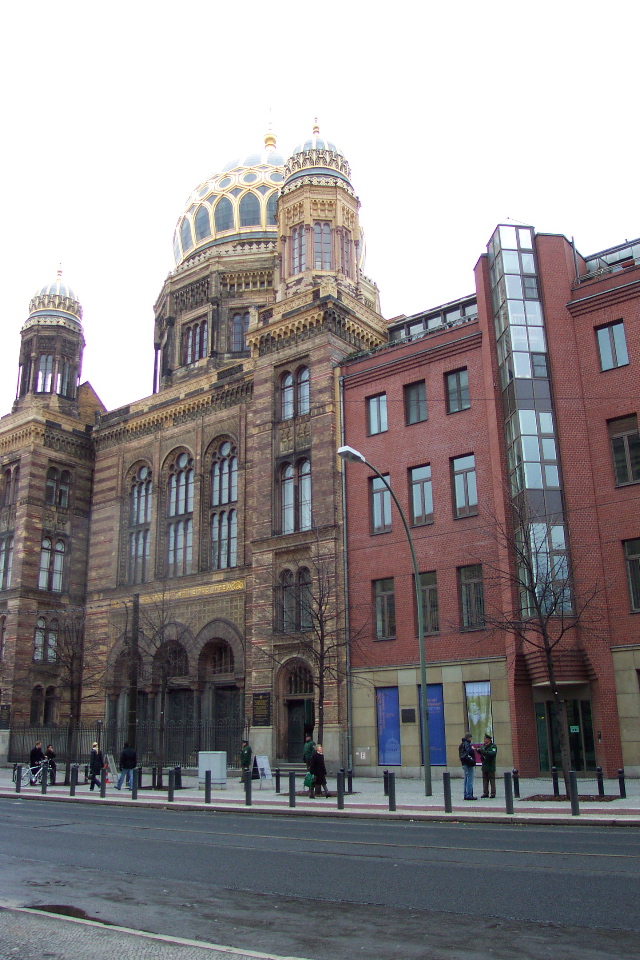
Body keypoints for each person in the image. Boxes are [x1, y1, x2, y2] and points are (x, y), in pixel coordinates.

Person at [459, 732, 477, 800]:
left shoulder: (462, 744)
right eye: (471, 737)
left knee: (466, 779)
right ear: (469, 738)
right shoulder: (467, 744)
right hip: (468, 764)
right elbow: (469, 752)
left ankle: (466, 794)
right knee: (470, 779)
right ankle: (469, 794)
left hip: (464, 763)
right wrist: (472, 750)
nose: (471, 739)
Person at [479, 734, 497, 798]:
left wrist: (486, 752)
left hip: (490, 766)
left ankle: (493, 793)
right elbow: (481, 751)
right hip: (484, 766)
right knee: (485, 780)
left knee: (492, 780)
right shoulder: (483, 746)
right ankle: (485, 792)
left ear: (489, 740)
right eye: (484, 739)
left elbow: (493, 753)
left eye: (486, 739)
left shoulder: (493, 746)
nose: (484, 741)